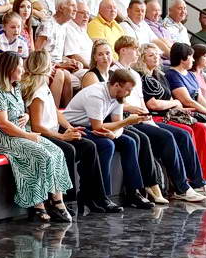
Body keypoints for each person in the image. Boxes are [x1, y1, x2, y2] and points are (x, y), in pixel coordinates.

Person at [117, 38, 206, 201]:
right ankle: (182, 187)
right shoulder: (137, 75)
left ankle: (198, 182)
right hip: (141, 117)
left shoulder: (149, 75)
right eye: (150, 55)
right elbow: (151, 104)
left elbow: (143, 103)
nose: (156, 57)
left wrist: (150, 117)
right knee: (172, 135)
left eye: (156, 55)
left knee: (184, 134)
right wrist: (173, 104)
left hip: (150, 116)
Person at [20, 50, 120, 215]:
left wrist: (68, 127)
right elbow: (37, 126)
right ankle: (65, 200)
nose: (54, 66)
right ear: (45, 66)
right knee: (68, 150)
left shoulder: (43, 85)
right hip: (43, 135)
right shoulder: (36, 91)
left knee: (89, 146)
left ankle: (95, 196)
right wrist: (62, 136)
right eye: (51, 64)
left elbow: (55, 111)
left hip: (53, 131)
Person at [0, 51, 72, 221]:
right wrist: (27, 135)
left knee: (57, 152)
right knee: (41, 154)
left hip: (20, 133)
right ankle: (37, 204)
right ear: (10, 68)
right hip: (1, 137)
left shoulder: (16, 87)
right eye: (20, 67)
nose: (23, 70)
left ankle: (57, 201)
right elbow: (3, 123)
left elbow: (22, 111)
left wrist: (26, 115)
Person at [62, 69, 155, 209]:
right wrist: (127, 122)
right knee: (106, 145)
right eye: (127, 90)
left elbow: (117, 123)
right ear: (116, 85)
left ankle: (133, 192)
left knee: (129, 142)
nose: (129, 93)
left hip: (91, 126)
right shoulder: (96, 95)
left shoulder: (118, 96)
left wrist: (115, 135)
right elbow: (98, 127)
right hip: (73, 126)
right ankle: (101, 196)